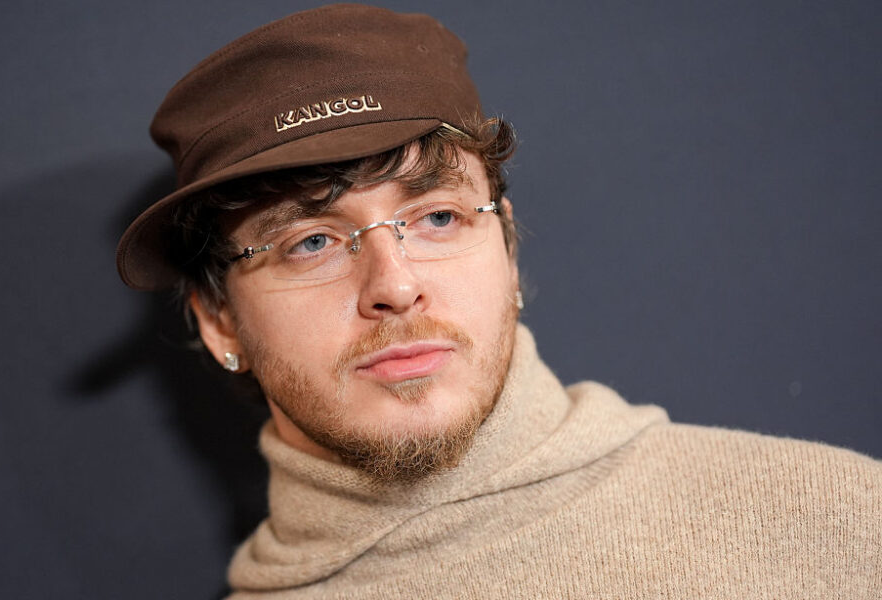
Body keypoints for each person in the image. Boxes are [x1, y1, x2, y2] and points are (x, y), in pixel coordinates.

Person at [117, 4, 880, 598]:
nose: (395, 286)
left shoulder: (838, 525)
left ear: (508, 250)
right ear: (220, 322)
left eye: (438, 218)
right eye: (311, 241)